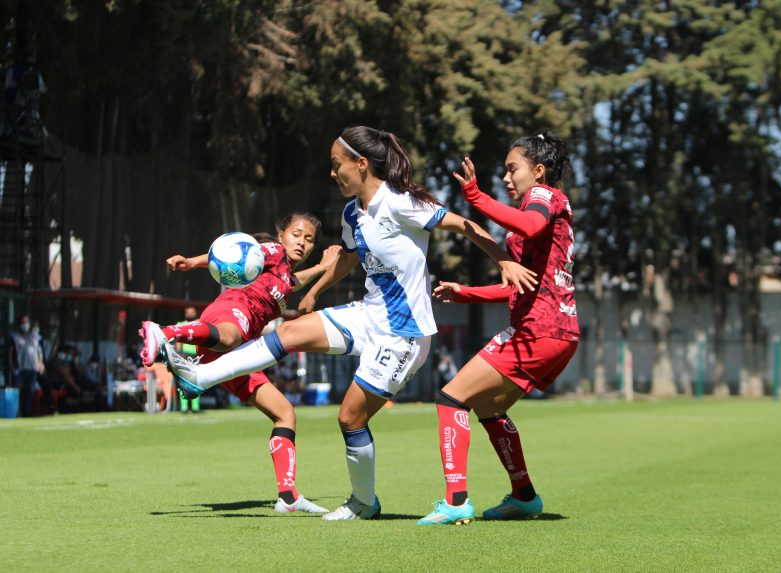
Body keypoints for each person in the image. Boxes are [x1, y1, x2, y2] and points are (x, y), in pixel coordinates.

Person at [161, 126, 537, 521]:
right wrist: (314, 292)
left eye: (335, 164)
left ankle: (364, 503)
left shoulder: (401, 203)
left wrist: (503, 259)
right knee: (288, 333)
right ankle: (201, 378)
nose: (331, 172)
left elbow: (464, 225)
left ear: (360, 164)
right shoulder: (351, 212)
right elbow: (349, 258)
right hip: (368, 313)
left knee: (350, 418)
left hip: (404, 334)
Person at [418, 131, 579, 525]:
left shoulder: (542, 196)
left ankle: (456, 499)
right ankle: (523, 496)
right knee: (489, 407)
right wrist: (465, 293)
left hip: (538, 331)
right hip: (557, 332)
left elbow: (528, 224)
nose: (507, 178)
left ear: (538, 171)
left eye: (513, 169)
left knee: (450, 397)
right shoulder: (547, 204)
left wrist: (474, 197)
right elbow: (516, 286)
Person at [140, 213, 341, 514]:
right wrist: (193, 263)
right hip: (231, 315)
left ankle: (288, 497)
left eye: (309, 239)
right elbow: (233, 254)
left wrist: (324, 267)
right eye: (296, 234)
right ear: (282, 234)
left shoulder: (285, 277)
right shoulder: (272, 252)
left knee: (285, 413)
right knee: (230, 337)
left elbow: (293, 282)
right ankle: (164, 334)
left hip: (241, 353)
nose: (302, 241)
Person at [7, 314, 44, 417]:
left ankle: (27, 414)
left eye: (27, 322)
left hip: (32, 368)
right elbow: (10, 352)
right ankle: (16, 413)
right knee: (17, 392)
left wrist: (40, 363)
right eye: (23, 322)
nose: (25, 325)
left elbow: (39, 351)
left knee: (30, 393)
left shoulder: (34, 337)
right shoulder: (14, 336)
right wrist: (11, 366)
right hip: (19, 369)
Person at [175, 306, 203, 414]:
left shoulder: (199, 323)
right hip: (184, 355)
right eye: (188, 312)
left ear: (195, 313)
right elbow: (178, 340)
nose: (190, 314)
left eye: (192, 312)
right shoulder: (181, 324)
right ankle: (184, 408)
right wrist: (179, 354)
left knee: (197, 380)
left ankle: (195, 407)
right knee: (184, 381)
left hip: (196, 354)